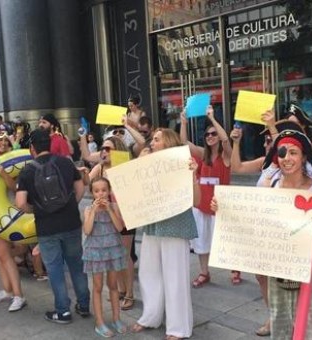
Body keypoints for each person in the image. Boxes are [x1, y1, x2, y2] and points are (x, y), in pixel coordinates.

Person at [214, 129, 312, 339]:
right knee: (282, 326)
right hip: (279, 266)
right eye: (282, 153)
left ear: (304, 156)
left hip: (311, 268)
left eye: (293, 152)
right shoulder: (270, 185)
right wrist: (224, 207)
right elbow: (253, 217)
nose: (287, 158)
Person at [15, 129, 90, 324]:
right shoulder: (65, 162)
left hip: (46, 227)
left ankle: (63, 311)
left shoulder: (27, 170)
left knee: (55, 269)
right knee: (76, 264)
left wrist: (36, 210)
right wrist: (70, 205)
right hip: (71, 222)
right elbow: (80, 188)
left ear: (32, 148)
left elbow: (20, 202)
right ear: (49, 145)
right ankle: (84, 305)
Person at [131, 128, 199, 340]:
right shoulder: (149, 162)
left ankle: (178, 327)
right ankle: (150, 316)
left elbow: (196, 201)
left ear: (168, 142)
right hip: (153, 224)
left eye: (157, 139)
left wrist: (194, 175)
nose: (152, 142)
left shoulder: (183, 163)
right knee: (148, 272)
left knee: (175, 276)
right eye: (153, 139)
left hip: (176, 225)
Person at [179, 106, 238, 287]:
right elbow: (183, 143)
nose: (210, 136)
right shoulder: (202, 154)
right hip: (201, 205)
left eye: (213, 134)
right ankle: (204, 272)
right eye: (207, 135)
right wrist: (183, 122)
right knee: (201, 241)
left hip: (220, 206)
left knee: (226, 241)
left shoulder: (226, 155)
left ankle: (235, 268)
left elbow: (226, 139)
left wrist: (212, 119)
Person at [84, 136, 137, 311]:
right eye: (103, 148)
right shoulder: (99, 168)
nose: (104, 151)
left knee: (125, 254)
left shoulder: (125, 167)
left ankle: (129, 293)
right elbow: (88, 184)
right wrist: (84, 174)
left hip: (125, 214)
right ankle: (121, 290)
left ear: (118, 150)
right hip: (108, 218)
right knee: (116, 255)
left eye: (108, 149)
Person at [0, 130, 27, 311]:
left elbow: (17, 188)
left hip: (4, 214)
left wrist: (3, 174)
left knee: (4, 254)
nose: (1, 144)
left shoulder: (12, 161)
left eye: (5, 141)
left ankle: (18, 295)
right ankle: (7, 289)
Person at [83, 177, 128, 337]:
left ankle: (116, 318)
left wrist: (109, 210)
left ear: (109, 191)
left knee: (113, 285)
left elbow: (120, 227)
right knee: (97, 287)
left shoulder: (114, 206)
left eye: (104, 190)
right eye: (96, 191)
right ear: (92, 193)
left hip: (112, 248)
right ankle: (99, 322)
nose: (100, 194)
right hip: (96, 250)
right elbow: (87, 231)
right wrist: (94, 211)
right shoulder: (88, 209)